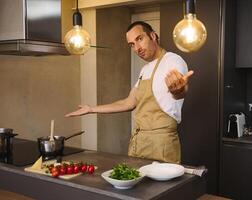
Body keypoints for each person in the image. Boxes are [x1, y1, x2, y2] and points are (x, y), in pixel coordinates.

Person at [65, 21, 193, 163]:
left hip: (161, 143)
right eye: (132, 44)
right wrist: (91, 109)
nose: (137, 48)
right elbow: (129, 102)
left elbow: (180, 91)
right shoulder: (145, 70)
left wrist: (179, 90)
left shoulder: (173, 61)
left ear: (153, 36)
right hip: (139, 141)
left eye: (139, 39)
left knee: (160, 186)